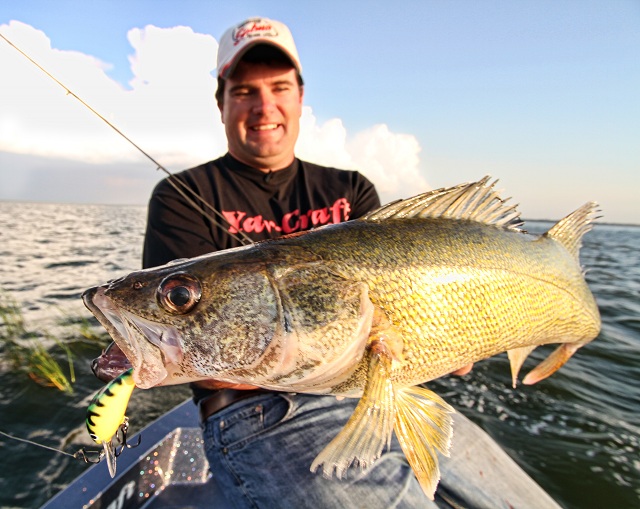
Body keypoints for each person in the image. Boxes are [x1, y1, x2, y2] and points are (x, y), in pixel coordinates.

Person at [98, 17, 560, 509]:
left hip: (379, 394)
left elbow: (398, 314)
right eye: (244, 91)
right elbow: (206, 364)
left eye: (279, 87)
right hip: (257, 411)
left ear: (300, 97)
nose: (263, 106)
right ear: (222, 103)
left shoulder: (352, 187)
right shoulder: (179, 196)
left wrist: (448, 335)